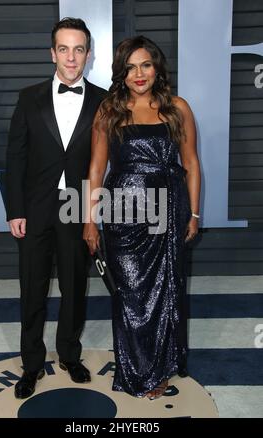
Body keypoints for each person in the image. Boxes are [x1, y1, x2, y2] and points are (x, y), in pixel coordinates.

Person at [83, 36, 201, 400]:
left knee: (165, 290)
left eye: (146, 65)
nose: (139, 74)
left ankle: (159, 369)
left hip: (169, 209)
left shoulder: (177, 108)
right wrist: (89, 220)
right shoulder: (109, 110)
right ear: (122, 72)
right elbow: (97, 166)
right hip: (122, 211)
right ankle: (135, 368)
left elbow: (191, 163)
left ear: (157, 68)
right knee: (130, 294)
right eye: (131, 67)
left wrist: (194, 213)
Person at [6, 17, 107, 399]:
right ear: (52, 53)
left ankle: (69, 354)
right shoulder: (28, 97)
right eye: (63, 49)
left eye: (78, 49)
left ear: (88, 54)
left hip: (77, 207)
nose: (71, 57)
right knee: (32, 289)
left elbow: (108, 161)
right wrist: (15, 209)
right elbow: (15, 157)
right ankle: (31, 364)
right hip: (34, 208)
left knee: (74, 286)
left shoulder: (102, 100)